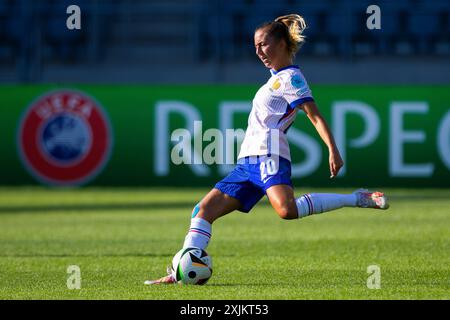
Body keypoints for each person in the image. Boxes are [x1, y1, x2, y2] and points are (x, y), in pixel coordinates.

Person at [145, 14, 389, 285]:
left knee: (287, 211)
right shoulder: (274, 79)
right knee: (203, 210)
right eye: (255, 46)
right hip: (247, 161)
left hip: (269, 154)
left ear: (282, 44)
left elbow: (314, 115)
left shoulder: (292, 78)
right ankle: (179, 270)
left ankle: (356, 198)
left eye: (264, 44)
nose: (259, 51)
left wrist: (333, 149)